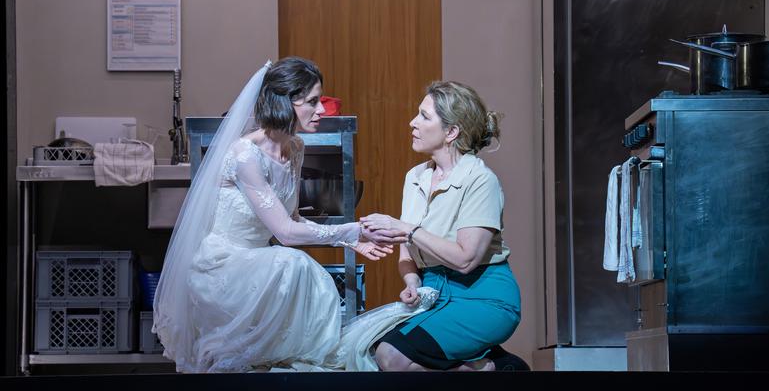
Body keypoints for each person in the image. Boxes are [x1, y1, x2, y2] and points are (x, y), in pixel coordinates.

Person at [152, 57, 407, 373]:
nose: (323, 110)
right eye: (312, 101)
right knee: (294, 265)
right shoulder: (245, 154)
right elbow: (285, 233)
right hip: (223, 267)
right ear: (285, 102)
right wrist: (352, 230)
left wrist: (348, 243)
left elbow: (294, 219)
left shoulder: (295, 147)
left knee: (297, 269)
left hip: (259, 264)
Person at [360, 81, 529, 371]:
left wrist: (408, 229)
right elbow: (407, 255)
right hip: (434, 294)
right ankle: (490, 368)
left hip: (482, 298)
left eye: (424, 117)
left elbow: (465, 259)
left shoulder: (480, 180)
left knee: (392, 355)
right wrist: (413, 283)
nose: (412, 123)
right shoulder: (415, 177)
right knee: (371, 351)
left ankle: (494, 368)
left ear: (451, 132)